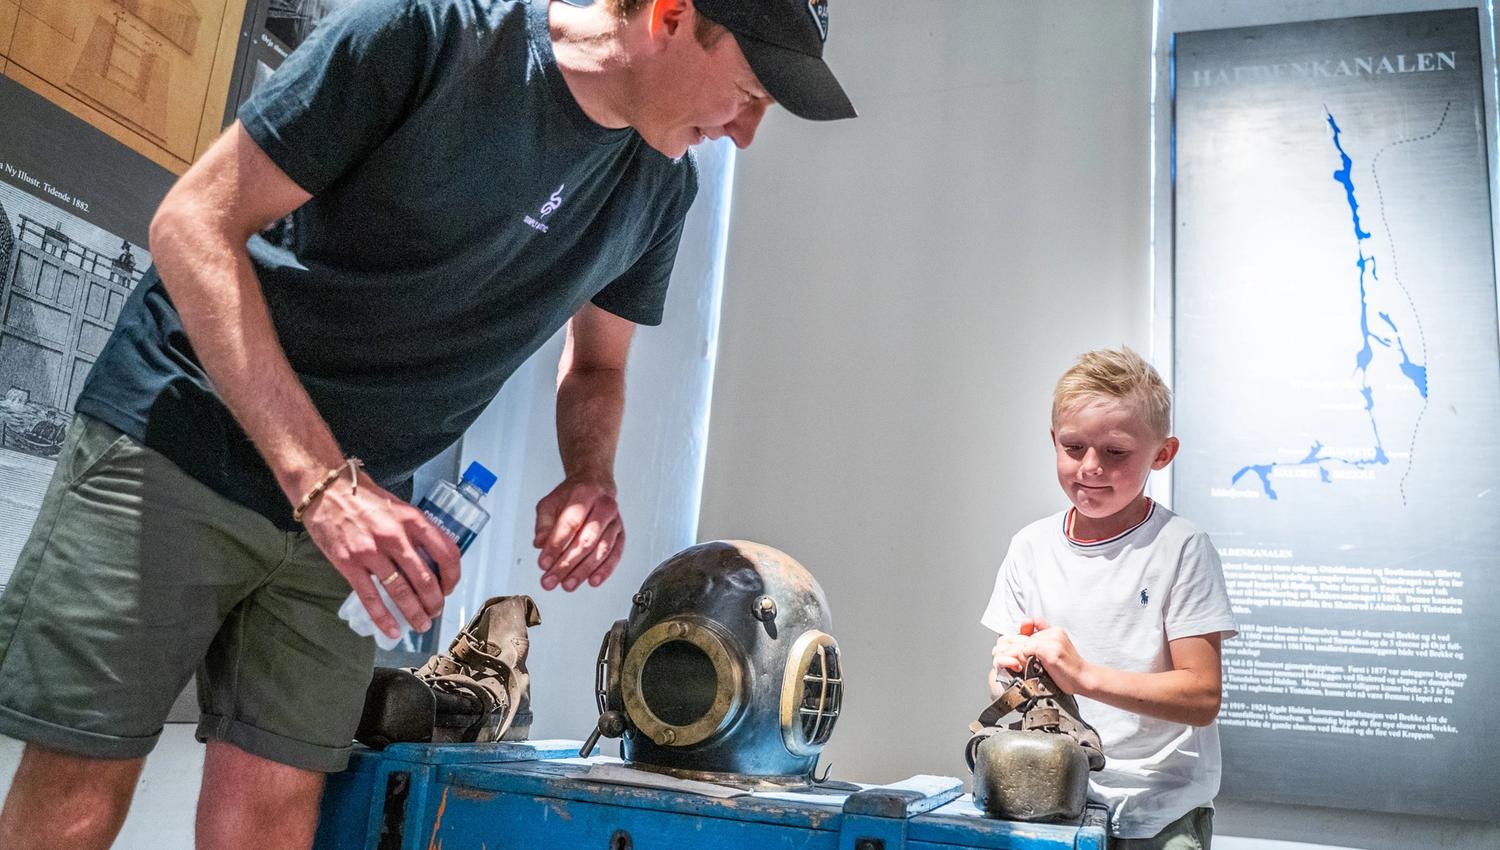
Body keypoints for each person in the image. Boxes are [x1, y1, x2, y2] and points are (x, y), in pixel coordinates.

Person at [0, 0, 855, 846]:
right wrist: (323, 485)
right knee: (81, 780)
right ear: (668, 16)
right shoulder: (425, 34)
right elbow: (191, 224)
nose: (744, 134)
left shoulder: (660, 188)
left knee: (272, 804)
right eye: (748, 91)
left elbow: (597, 366)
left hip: (359, 511)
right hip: (186, 432)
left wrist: (588, 474)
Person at [982, 348, 1237, 849]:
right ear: (1053, 440)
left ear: (1161, 454)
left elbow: (1202, 696)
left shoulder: (1181, 548)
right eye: (1074, 448)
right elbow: (1000, 687)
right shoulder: (1030, 546)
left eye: (1116, 452)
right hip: (1053, 800)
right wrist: (1010, 675)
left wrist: (1084, 677)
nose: (1091, 467)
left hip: (1158, 809)